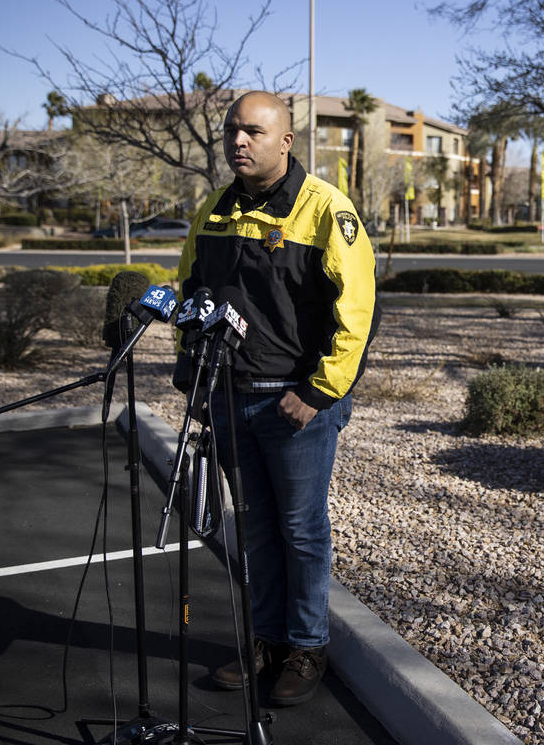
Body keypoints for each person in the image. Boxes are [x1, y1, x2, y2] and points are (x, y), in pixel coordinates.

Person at [175, 90, 377, 706]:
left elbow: (358, 312)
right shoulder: (215, 210)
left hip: (296, 408)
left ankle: (307, 645)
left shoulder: (325, 211)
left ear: (285, 141)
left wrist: (317, 393)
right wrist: (195, 379)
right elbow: (193, 297)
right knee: (257, 531)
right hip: (232, 399)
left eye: (254, 132)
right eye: (233, 130)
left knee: (302, 532)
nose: (239, 141)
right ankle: (264, 641)